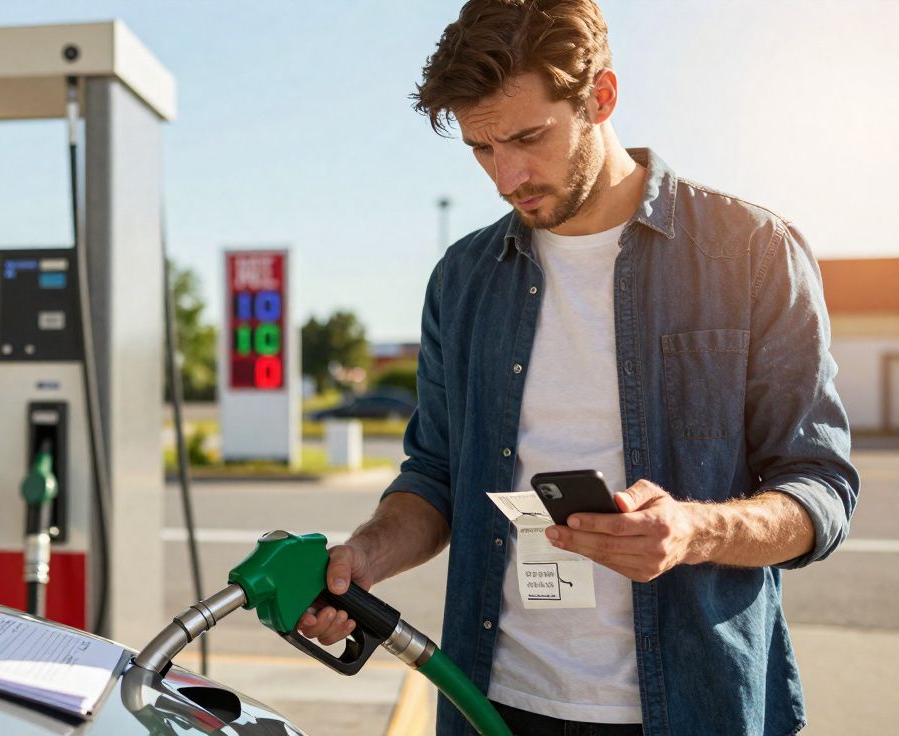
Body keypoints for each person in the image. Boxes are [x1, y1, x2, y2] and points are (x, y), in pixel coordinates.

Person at [295, 1, 859, 734]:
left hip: (695, 708)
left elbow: (821, 489)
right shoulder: (463, 279)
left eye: (529, 137)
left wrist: (694, 531)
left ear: (601, 97)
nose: (508, 176)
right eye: (482, 149)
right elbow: (434, 474)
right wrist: (364, 557)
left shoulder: (751, 253)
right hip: (491, 703)